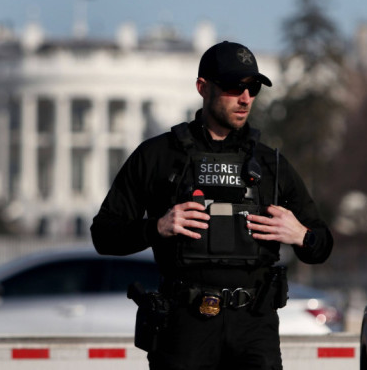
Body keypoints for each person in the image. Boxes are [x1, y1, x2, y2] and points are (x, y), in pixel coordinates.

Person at [91, 41, 333, 370]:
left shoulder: (270, 164)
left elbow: (321, 245)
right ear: (203, 88)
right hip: (185, 326)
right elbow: (104, 236)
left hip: (253, 327)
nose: (245, 98)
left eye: (253, 88)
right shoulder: (158, 156)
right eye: (234, 87)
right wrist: (157, 227)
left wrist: (303, 235)